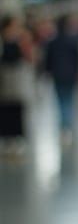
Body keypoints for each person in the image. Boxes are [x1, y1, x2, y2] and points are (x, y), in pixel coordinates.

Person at [43, 14, 78, 142]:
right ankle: (67, 127)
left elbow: (48, 59)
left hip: (57, 75)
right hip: (70, 75)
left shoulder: (52, 41)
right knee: (68, 101)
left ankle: (64, 127)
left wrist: (47, 72)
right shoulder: (73, 40)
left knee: (60, 102)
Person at [0, 14, 34, 157]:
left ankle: (18, 139)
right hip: (4, 81)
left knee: (18, 110)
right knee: (5, 111)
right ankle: (7, 139)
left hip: (18, 81)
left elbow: (31, 59)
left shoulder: (22, 41)